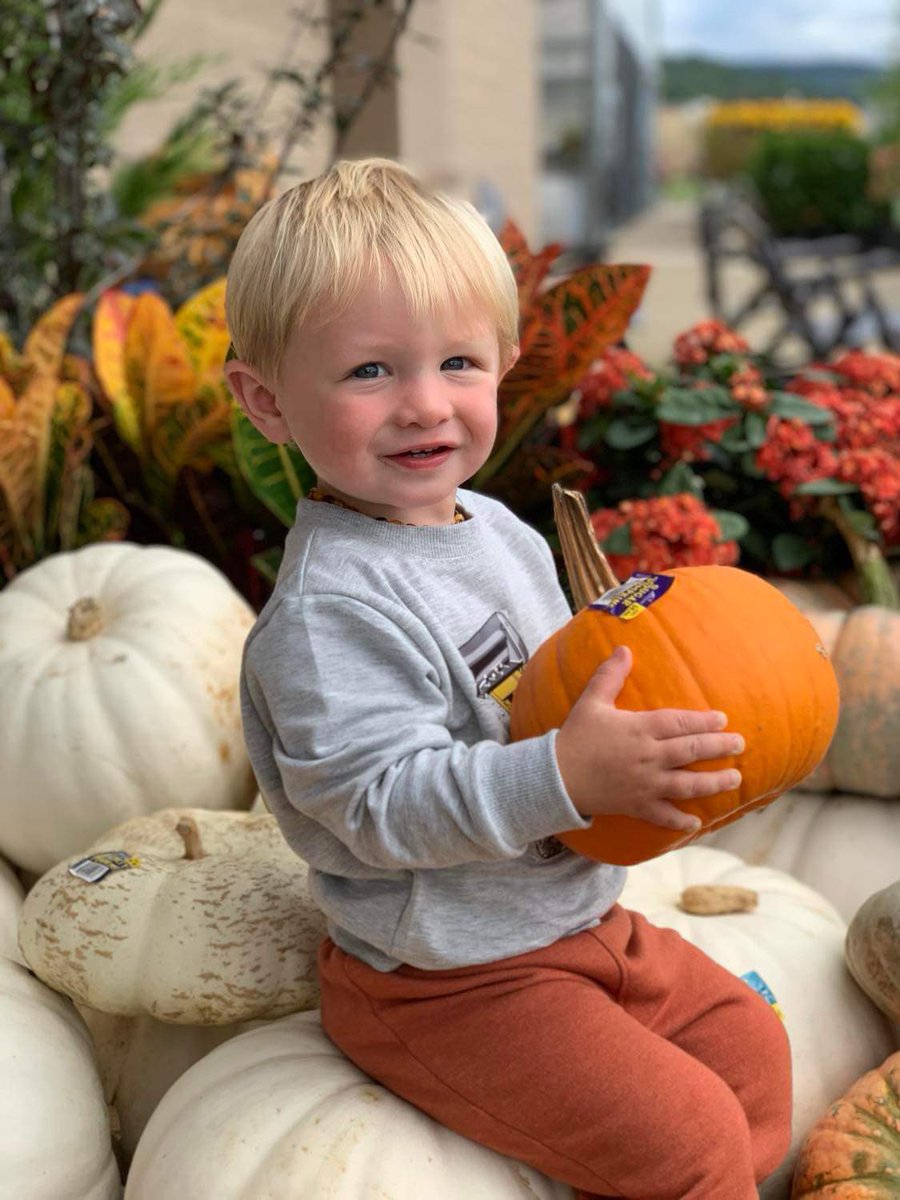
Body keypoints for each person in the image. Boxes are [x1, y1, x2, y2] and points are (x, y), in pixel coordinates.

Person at [223, 157, 791, 1200]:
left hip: (582, 922)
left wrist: (659, 719)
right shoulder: (329, 613)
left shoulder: (496, 529)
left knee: (750, 1044)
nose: (423, 405)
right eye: (369, 372)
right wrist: (568, 779)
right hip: (450, 982)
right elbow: (377, 806)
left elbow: (559, 677)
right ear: (265, 400)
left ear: (506, 362)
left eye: (457, 363)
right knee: (690, 1136)